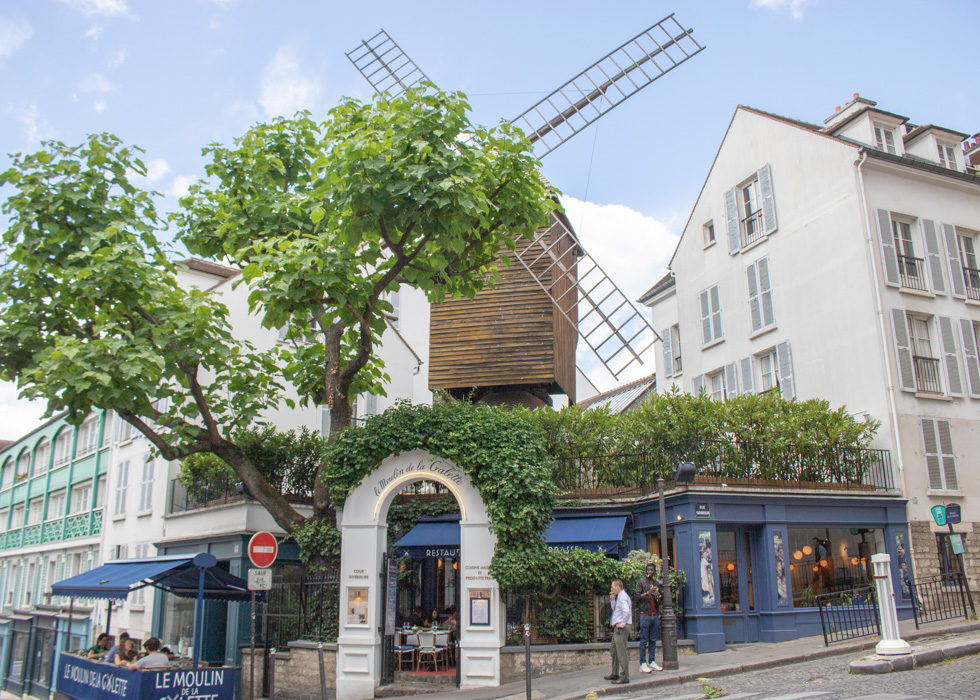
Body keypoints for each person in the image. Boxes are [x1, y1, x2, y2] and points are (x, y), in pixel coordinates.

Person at [635, 563, 663, 673]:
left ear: (655, 571)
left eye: (652, 570)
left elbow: (660, 600)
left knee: (653, 639)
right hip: (644, 614)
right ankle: (642, 663)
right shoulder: (641, 582)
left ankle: (652, 661)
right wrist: (648, 592)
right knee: (644, 640)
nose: (650, 572)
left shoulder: (656, 583)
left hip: (654, 614)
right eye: (648, 570)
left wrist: (657, 595)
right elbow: (637, 597)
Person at [604, 578, 632, 685]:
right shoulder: (619, 597)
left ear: (617, 587)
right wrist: (612, 600)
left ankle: (624, 676)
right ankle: (615, 673)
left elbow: (626, 611)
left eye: (612, 587)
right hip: (617, 628)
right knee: (613, 649)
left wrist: (623, 623)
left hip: (621, 628)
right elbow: (616, 610)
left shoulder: (623, 597)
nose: (611, 589)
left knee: (621, 652)